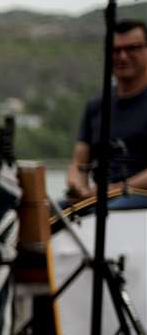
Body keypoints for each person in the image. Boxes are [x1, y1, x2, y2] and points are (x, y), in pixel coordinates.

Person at [66, 19, 147, 202]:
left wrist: (118, 189)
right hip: (101, 197)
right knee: (42, 217)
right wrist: (77, 185)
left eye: (132, 48)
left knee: (109, 213)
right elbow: (79, 161)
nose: (123, 56)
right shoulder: (96, 105)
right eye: (115, 50)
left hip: (139, 198)